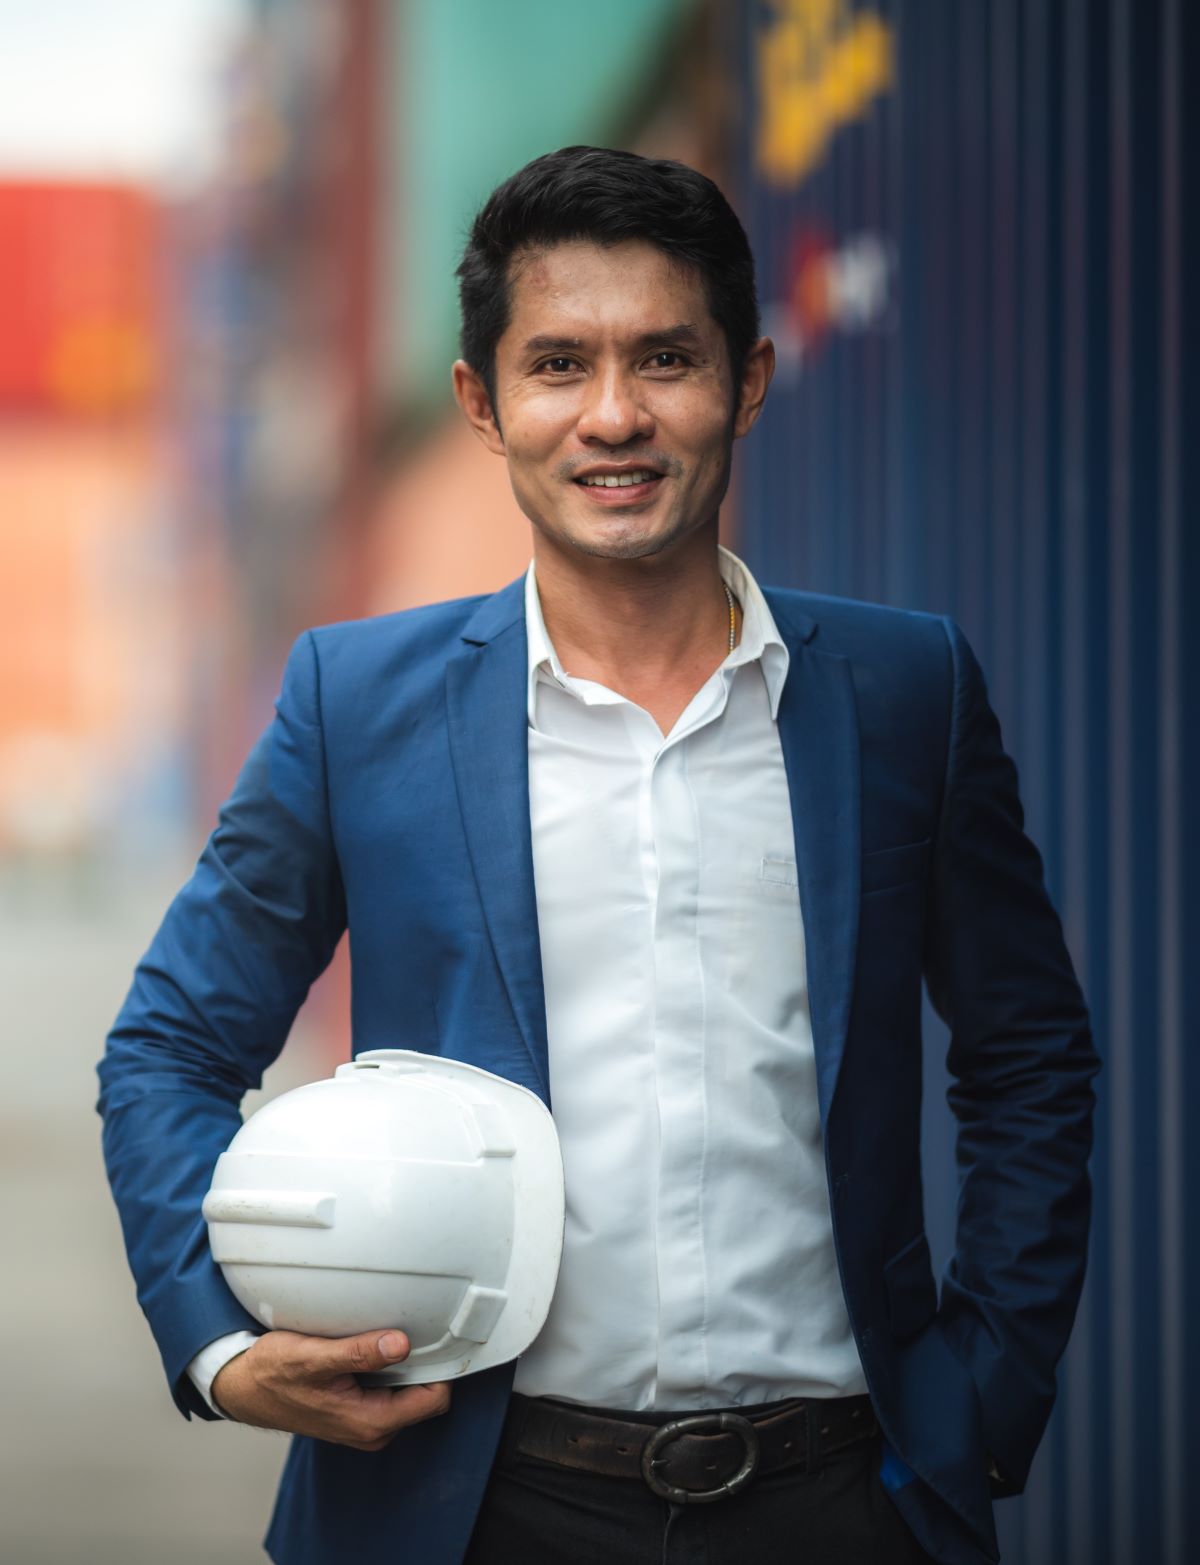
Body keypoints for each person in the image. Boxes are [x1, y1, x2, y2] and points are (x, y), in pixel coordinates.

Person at [98, 146, 1098, 1565]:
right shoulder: (354, 705)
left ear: (747, 382)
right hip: (466, 1502)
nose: (614, 415)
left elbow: (1028, 1053)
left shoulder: (905, 692)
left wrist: (983, 1398)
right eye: (558, 364)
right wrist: (220, 1343)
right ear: (482, 403)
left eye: (666, 359)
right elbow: (170, 1047)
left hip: (839, 1497)